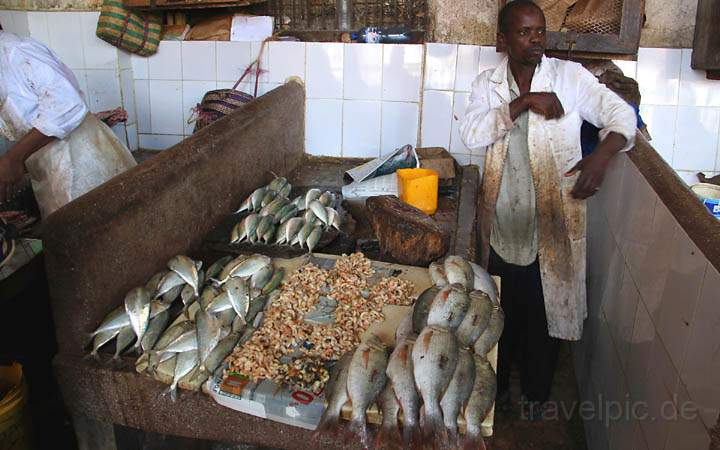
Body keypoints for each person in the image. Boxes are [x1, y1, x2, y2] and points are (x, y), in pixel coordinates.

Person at [459, 0, 636, 417]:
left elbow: (620, 115)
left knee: (544, 316)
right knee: (502, 313)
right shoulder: (488, 84)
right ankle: (497, 393)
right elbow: (470, 133)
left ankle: (537, 398)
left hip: (553, 222)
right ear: (502, 39)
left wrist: (601, 156)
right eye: (524, 32)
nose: (536, 39)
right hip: (502, 219)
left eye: (540, 31)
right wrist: (521, 103)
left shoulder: (569, 77)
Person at [0, 28, 136, 218]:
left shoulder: (16, 51)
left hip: (79, 159)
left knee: (102, 228)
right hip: (48, 167)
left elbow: (66, 103)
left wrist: (13, 158)